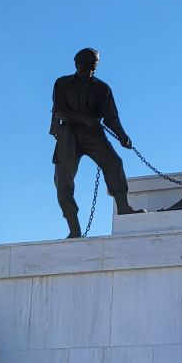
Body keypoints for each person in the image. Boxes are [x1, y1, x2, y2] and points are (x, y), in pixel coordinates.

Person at [51, 47, 142, 238]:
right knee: (63, 183)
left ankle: (124, 208)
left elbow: (111, 117)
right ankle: (74, 229)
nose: (90, 70)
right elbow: (59, 111)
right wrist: (85, 119)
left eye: (94, 66)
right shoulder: (62, 83)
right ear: (77, 65)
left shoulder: (102, 88)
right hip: (68, 136)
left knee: (114, 162)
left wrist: (122, 135)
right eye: (87, 66)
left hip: (94, 135)